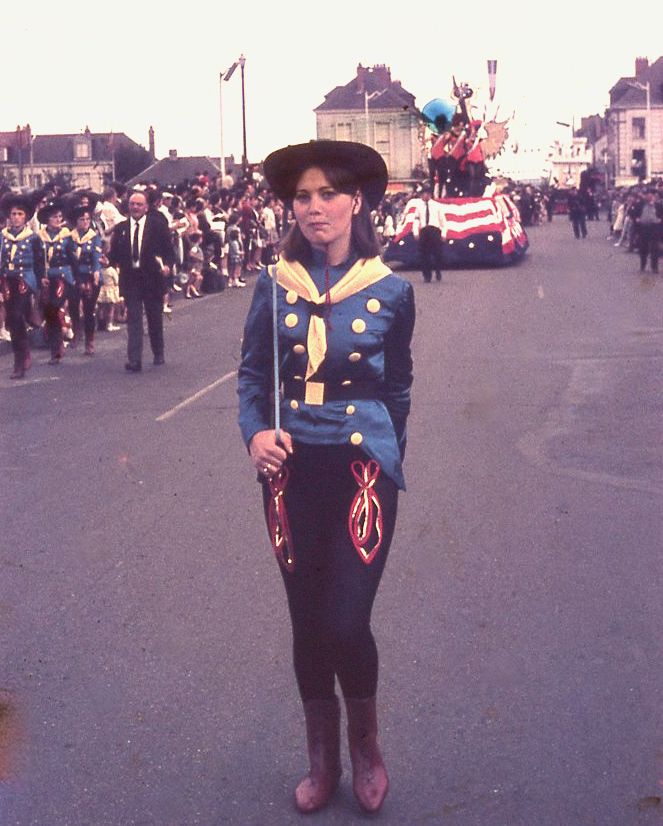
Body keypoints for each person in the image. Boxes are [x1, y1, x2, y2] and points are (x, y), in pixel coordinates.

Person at [238, 140, 415, 814]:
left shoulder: (391, 291)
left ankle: (366, 747)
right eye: (303, 197)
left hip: (361, 471)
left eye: (327, 195)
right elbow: (254, 374)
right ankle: (324, 759)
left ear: (356, 202)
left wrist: (386, 453)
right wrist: (256, 432)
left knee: (346, 619)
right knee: (307, 620)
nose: (314, 208)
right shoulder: (272, 283)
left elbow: (397, 386)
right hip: (288, 472)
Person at [109, 189, 175, 371]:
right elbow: (114, 254)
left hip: (153, 278)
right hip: (131, 280)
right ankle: (134, 360)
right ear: (127, 206)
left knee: (154, 318)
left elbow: (169, 251)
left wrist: (168, 265)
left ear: (146, 207)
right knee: (134, 320)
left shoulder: (157, 226)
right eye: (132, 204)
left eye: (139, 204)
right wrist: (107, 260)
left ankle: (158, 352)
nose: (135, 207)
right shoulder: (121, 228)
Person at [0, 193, 45, 378]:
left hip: (25, 279)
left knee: (17, 314)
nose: (16, 217)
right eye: (13, 214)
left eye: (19, 214)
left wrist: (41, 279)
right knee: (11, 319)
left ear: (25, 217)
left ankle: (22, 356)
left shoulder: (33, 238)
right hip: (7, 280)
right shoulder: (3, 236)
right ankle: (21, 355)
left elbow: (39, 262)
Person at [38, 200, 78, 364]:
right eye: (54, 217)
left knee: (54, 307)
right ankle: (56, 347)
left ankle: (58, 346)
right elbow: (37, 259)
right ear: (47, 219)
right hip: (47, 278)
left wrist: (76, 279)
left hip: (63, 276)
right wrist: (40, 275)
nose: (58, 220)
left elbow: (72, 258)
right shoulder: (39, 237)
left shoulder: (67, 236)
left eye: (60, 217)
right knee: (49, 312)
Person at [69, 205, 103, 354]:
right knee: (73, 305)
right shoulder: (69, 237)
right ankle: (77, 330)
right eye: (82, 219)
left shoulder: (94, 237)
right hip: (74, 275)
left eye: (88, 219)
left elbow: (96, 256)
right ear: (76, 221)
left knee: (89, 309)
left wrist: (96, 271)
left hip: (90, 275)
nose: (85, 222)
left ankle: (90, 341)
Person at [413, 184, 445, 282]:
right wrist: (415, 232)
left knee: (437, 253)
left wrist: (443, 234)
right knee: (424, 254)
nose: (424, 196)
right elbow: (416, 220)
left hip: (434, 230)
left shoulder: (437, 206)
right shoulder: (419, 207)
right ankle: (427, 275)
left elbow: (443, 221)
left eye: (426, 194)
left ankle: (438, 270)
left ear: (429, 195)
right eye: (422, 194)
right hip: (424, 231)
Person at [631, 188, 663, 273]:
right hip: (643, 228)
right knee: (643, 248)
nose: (649, 196)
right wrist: (636, 219)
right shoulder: (640, 205)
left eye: (651, 195)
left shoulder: (658, 205)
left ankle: (654, 267)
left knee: (655, 249)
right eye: (647, 195)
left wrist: (660, 220)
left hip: (654, 229)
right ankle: (643, 264)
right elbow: (633, 213)